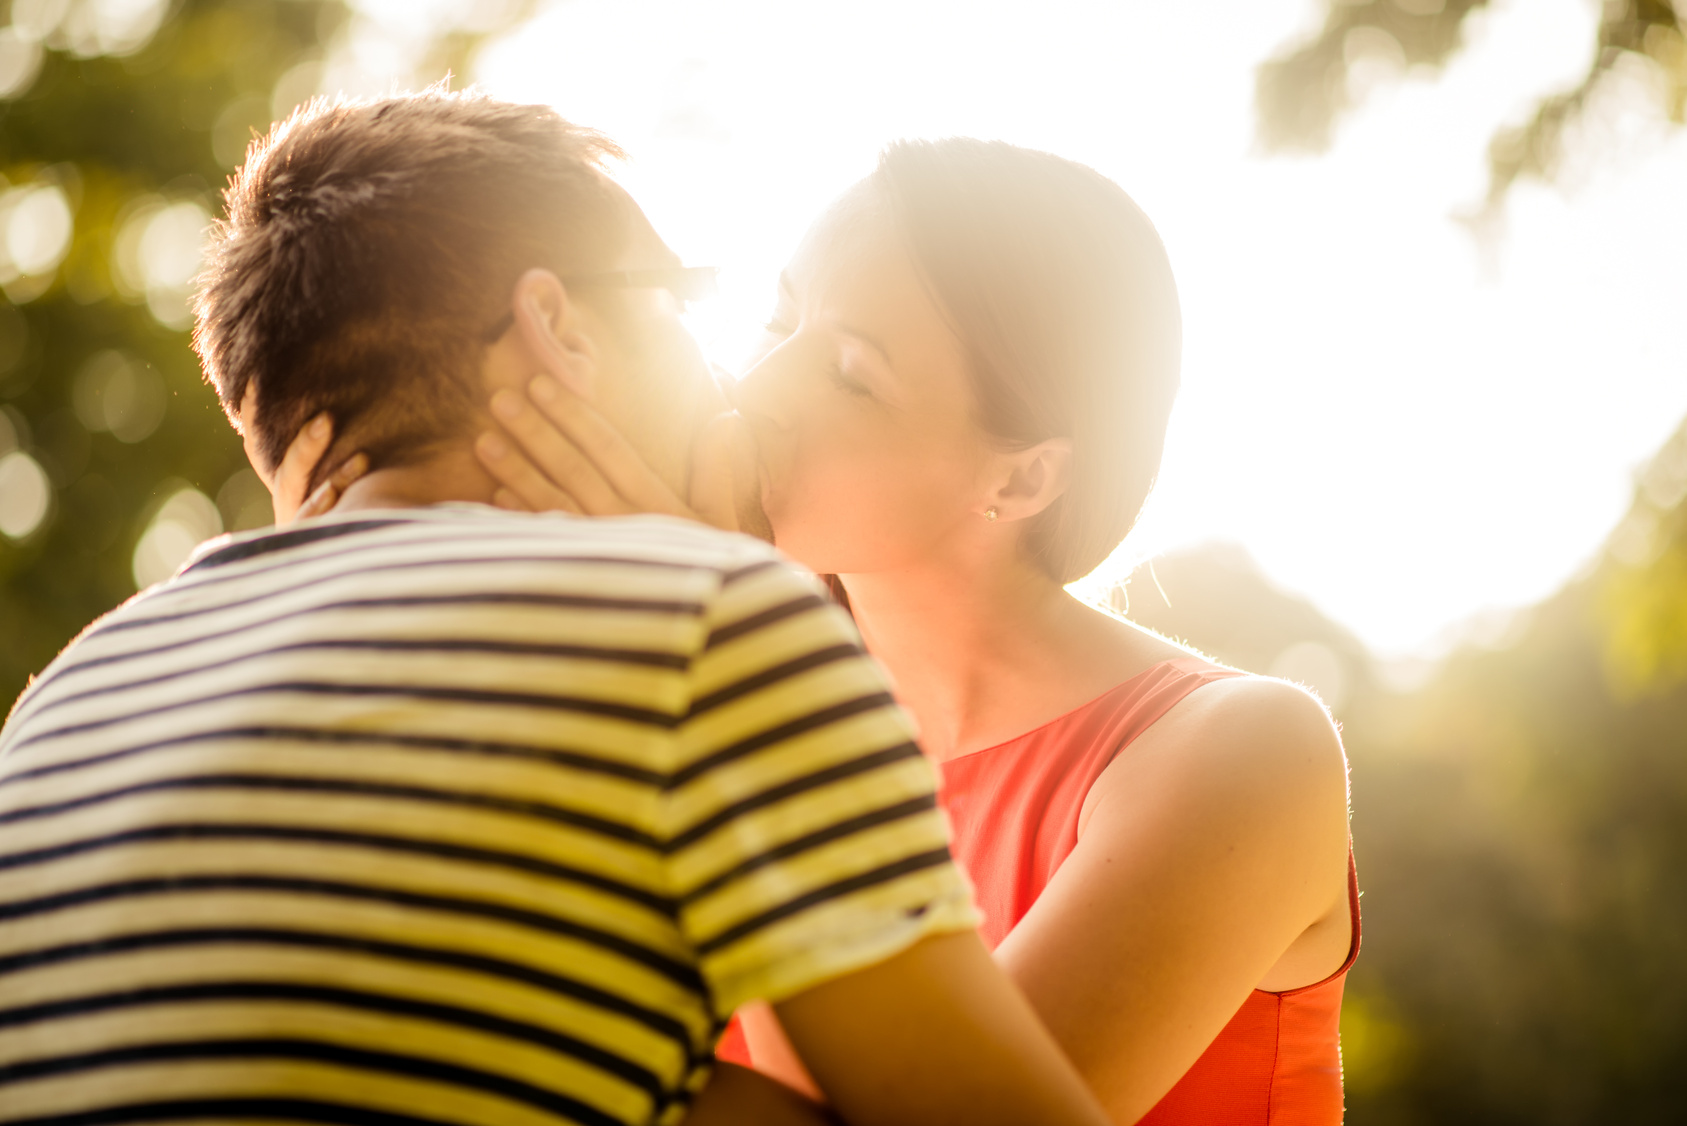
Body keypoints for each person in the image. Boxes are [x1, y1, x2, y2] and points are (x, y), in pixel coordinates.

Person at [0, 92, 1117, 1126]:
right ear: (561, 324)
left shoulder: (64, 705)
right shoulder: (707, 630)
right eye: (683, 304)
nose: (732, 380)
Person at [306, 137, 1360, 1124]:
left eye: (850, 371)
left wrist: (718, 642)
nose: (756, 388)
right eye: (774, 322)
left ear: (1025, 472)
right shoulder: (707, 707)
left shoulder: (1240, 754)